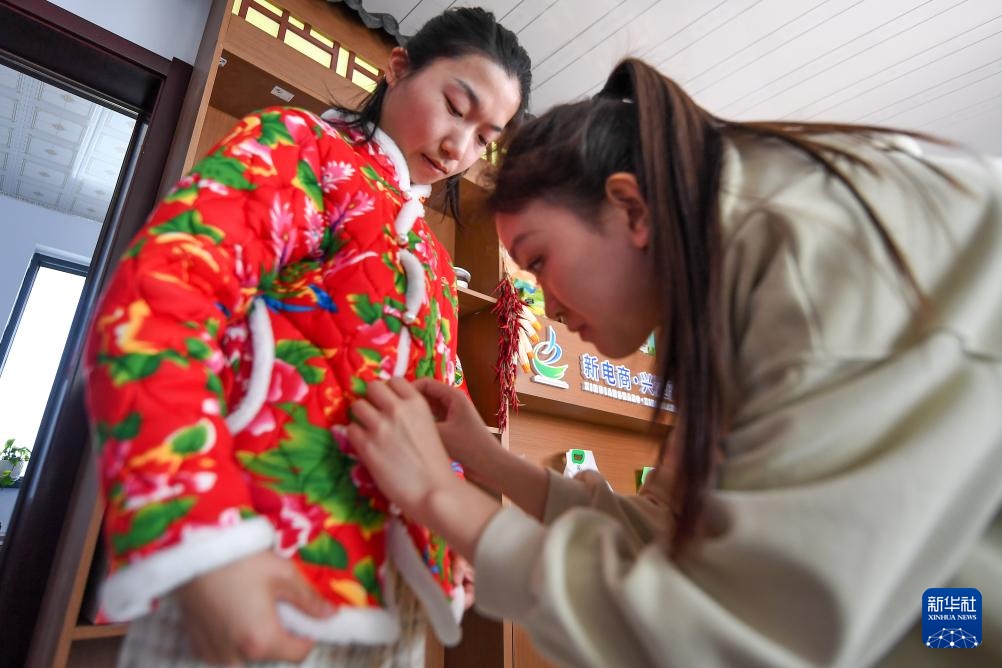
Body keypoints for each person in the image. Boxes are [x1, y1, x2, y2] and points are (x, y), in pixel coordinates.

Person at [346, 58, 1002, 667]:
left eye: (540, 261)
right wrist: (486, 461)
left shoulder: (813, 275)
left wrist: (439, 496)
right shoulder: (738, 276)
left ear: (631, 208)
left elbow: (736, 629)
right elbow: (675, 531)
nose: (548, 304)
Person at [83, 7, 531, 666]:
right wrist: (203, 538)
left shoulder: (434, 260)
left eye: (485, 138)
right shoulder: (300, 149)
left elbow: (436, 413)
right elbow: (162, 298)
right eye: (455, 108)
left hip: (386, 598)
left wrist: (446, 538)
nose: (458, 149)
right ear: (399, 68)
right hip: (257, 555)